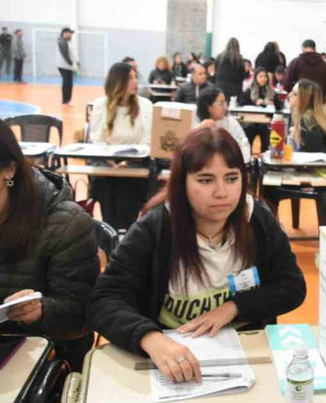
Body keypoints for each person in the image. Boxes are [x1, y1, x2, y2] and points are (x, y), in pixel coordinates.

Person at [88, 127, 307, 383]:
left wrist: (234, 307)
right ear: (182, 183)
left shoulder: (257, 220)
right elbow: (102, 301)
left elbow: (292, 286)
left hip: (246, 351)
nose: (221, 192)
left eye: (231, 178)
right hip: (173, 353)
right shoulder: (154, 229)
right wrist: (151, 338)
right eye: (205, 180)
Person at [0, 120, 99, 371]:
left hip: (45, 357)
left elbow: (82, 316)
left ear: (8, 170)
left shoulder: (66, 224)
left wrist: (41, 310)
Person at [89, 62, 153, 231]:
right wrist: (111, 162)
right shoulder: (101, 105)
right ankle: (110, 233)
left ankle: (127, 233)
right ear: (118, 82)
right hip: (106, 163)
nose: (135, 82)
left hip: (135, 163)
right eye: (130, 78)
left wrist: (126, 162)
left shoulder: (145, 105)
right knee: (107, 188)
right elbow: (97, 140)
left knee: (128, 189)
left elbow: (146, 141)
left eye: (135, 77)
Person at [194, 87, 252, 163]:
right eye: (221, 104)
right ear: (209, 107)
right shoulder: (198, 124)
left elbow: (244, 146)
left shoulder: (231, 122)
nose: (226, 107)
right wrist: (198, 131)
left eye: (225, 103)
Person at [288, 79, 326, 153]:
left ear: (305, 100)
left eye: (295, 94)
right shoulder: (315, 118)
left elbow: (311, 157)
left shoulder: (308, 122)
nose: (289, 95)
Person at [240, 67, 278, 152]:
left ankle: (265, 153)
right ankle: (247, 153)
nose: (263, 79)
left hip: (266, 119)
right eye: (260, 76)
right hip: (251, 119)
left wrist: (268, 103)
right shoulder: (249, 90)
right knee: (248, 128)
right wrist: (255, 104)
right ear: (255, 78)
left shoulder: (271, 91)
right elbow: (242, 104)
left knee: (265, 129)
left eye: (265, 76)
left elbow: (278, 106)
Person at [215, 38, 246, 103]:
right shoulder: (239, 59)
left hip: (221, 87)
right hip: (235, 88)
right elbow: (242, 75)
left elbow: (216, 71)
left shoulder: (219, 57)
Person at [57, 27, 78, 106]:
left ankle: (68, 100)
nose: (71, 35)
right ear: (65, 33)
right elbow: (65, 54)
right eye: (70, 33)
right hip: (64, 66)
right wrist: (71, 64)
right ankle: (65, 101)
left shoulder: (66, 41)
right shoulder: (62, 41)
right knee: (66, 83)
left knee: (69, 83)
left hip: (68, 66)